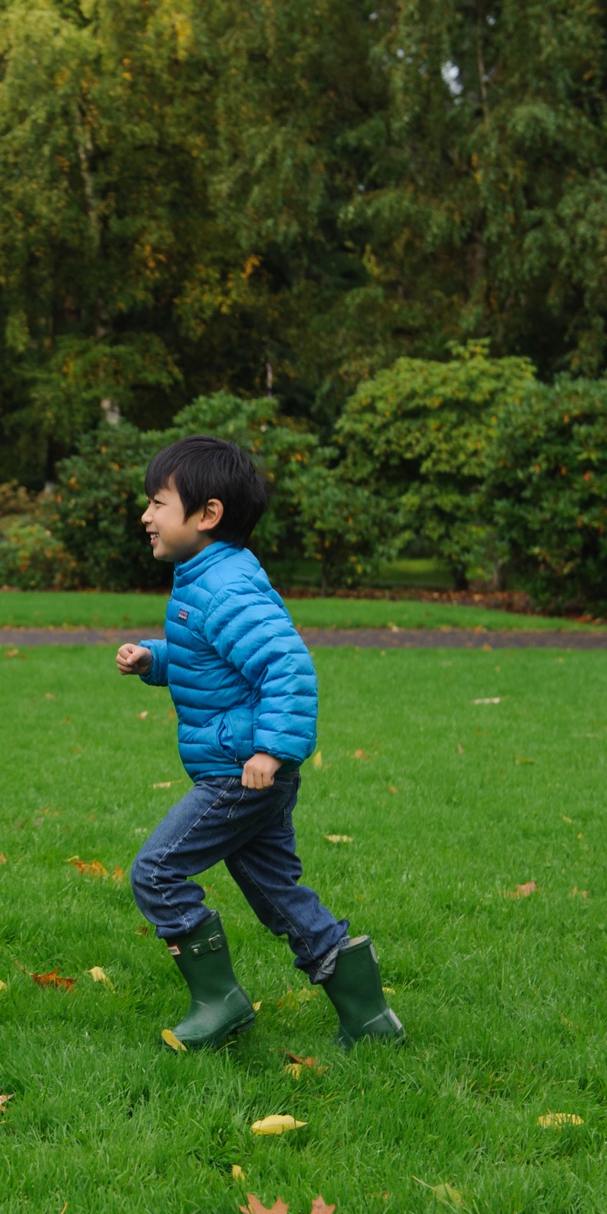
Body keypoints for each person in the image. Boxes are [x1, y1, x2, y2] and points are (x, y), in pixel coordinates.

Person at [114, 435, 403, 1052]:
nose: (146, 516)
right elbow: (211, 659)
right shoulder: (207, 579)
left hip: (241, 771)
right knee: (279, 897)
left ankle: (220, 1002)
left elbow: (286, 667)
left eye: (158, 503)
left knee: (157, 871)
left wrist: (271, 752)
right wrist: (155, 660)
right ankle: (371, 1021)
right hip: (244, 768)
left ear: (207, 514)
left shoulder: (224, 587)